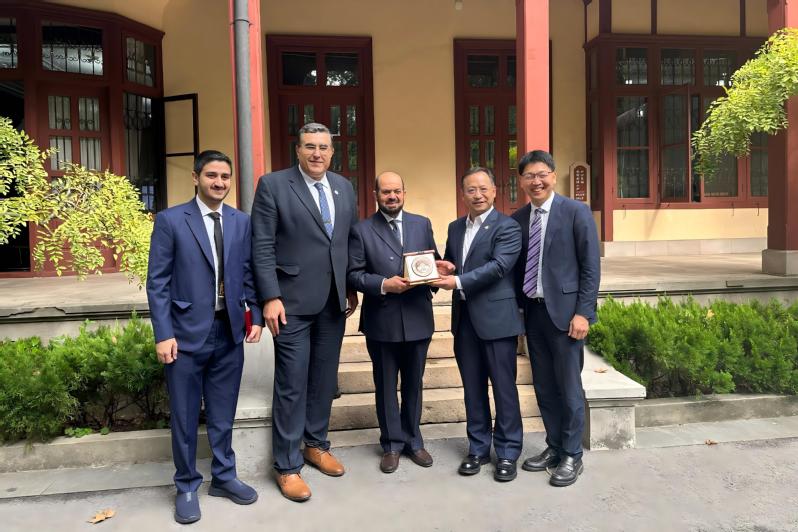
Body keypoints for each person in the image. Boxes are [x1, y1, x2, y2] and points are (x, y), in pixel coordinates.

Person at [146, 150, 264, 524]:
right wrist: (163, 334)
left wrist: (255, 314)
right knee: (184, 416)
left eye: (225, 177)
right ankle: (186, 485)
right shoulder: (171, 220)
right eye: (212, 175)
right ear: (196, 177)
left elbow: (248, 273)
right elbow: (157, 282)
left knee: (223, 412)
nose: (219, 182)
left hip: (228, 330)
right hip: (183, 334)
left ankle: (224, 477)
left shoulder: (240, 221)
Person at [251, 122, 359, 502]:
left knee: (323, 381)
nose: (317, 153)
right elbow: (262, 244)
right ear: (297, 150)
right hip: (290, 303)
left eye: (323, 147)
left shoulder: (344, 187)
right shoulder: (274, 185)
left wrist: (349, 285)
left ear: (332, 152)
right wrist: (270, 296)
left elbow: (348, 241)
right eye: (310, 146)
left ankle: (316, 444)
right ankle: (286, 465)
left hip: (333, 301)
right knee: (292, 383)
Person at [511, 150, 600, 487]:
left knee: (568, 387)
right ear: (521, 181)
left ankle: (573, 454)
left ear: (552, 175)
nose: (536, 181)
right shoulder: (519, 218)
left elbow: (590, 267)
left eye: (542, 174)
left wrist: (583, 313)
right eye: (529, 176)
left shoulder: (575, 212)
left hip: (566, 316)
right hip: (533, 314)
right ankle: (555, 445)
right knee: (545, 387)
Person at [433, 167, 525, 482]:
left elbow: (499, 267)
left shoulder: (508, 227)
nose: (478, 195)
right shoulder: (455, 227)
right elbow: (455, 263)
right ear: (463, 194)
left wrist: (457, 280)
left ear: (495, 191)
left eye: (484, 189)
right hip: (465, 321)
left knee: (503, 388)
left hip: (497, 320)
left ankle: (508, 452)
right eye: (471, 190)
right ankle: (478, 448)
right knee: (472, 388)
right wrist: (447, 268)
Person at [347, 171, 438, 474]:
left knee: (414, 384)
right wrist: (384, 284)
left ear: (404, 193)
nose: (392, 196)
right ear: (375, 195)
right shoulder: (362, 230)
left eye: (397, 191)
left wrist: (440, 270)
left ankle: (413, 440)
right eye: (386, 192)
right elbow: (354, 274)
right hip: (382, 320)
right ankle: (391, 444)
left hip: (417, 316)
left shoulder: (421, 223)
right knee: (386, 386)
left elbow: (432, 261)